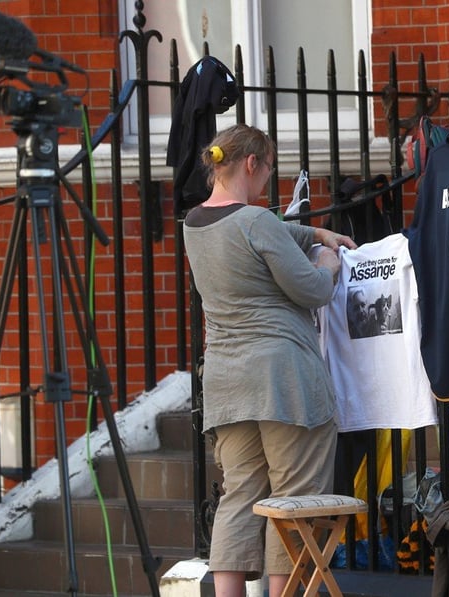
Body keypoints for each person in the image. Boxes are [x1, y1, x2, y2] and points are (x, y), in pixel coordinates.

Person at [182, 123, 357, 597]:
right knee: (295, 498)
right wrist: (327, 258)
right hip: (284, 379)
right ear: (252, 163)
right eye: (269, 168)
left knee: (238, 496)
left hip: (227, 383)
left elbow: (264, 234)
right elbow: (313, 290)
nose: (268, 180)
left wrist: (314, 228)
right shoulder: (256, 222)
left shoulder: (194, 224)